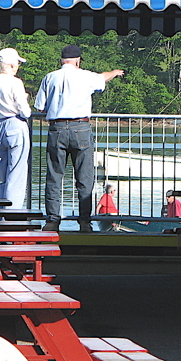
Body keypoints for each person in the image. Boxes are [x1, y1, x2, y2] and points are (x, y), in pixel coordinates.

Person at [34, 44, 124, 232]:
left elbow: (40, 107)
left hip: (56, 128)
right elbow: (102, 78)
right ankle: (84, 221)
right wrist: (115, 72)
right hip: (81, 128)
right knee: (84, 178)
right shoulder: (86, 76)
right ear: (77, 61)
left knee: (54, 176)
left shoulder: (50, 77)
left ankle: (52, 221)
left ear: (61, 60)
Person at [0, 48, 32, 209]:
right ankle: (12, 216)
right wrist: (25, 98)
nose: (18, 66)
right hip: (15, 125)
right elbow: (26, 112)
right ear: (10, 65)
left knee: (4, 177)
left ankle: (0, 213)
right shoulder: (16, 82)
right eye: (17, 63)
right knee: (16, 175)